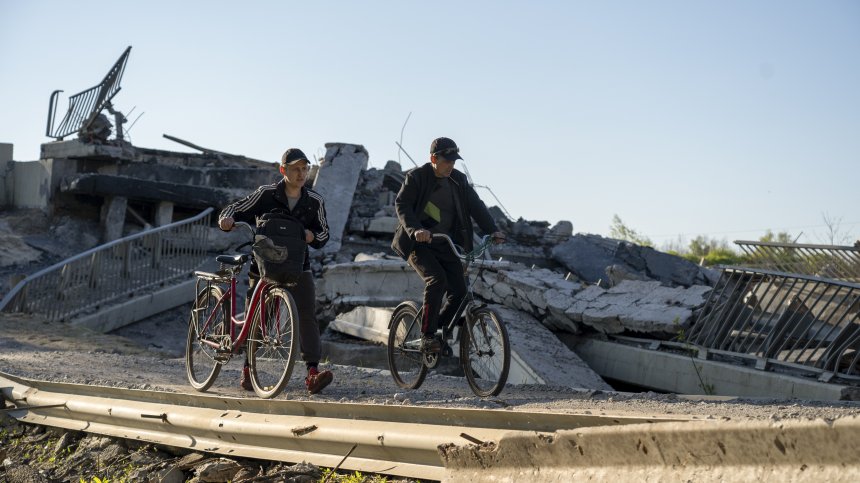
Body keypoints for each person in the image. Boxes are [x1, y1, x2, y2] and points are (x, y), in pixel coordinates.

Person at [218, 148, 333, 394]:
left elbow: (324, 233)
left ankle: (312, 373)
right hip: (264, 266)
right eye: (295, 169)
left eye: (304, 168)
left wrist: (313, 236)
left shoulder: (314, 201)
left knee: (307, 315)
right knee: (260, 316)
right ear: (283, 170)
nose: (301, 173)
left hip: (298, 266)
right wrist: (226, 220)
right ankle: (248, 369)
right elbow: (235, 209)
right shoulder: (266, 194)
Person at [391, 137, 505, 352]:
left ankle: (439, 331)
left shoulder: (458, 180)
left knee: (460, 292)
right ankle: (427, 336)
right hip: (418, 244)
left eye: (453, 161)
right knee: (437, 279)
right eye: (446, 161)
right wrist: (416, 230)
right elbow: (402, 205)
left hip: (446, 244)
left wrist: (493, 230)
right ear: (433, 158)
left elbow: (476, 206)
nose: (450, 166)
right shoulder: (417, 177)